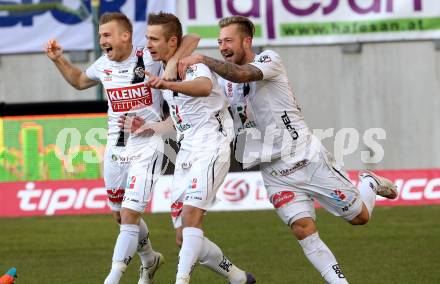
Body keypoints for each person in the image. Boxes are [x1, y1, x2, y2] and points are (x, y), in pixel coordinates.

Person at [178, 15, 398, 283]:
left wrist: (203, 59)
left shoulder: (269, 59)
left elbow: (244, 74)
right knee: (303, 229)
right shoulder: (222, 80)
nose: (223, 47)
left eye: (228, 41)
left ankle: (369, 182)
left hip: (305, 156)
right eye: (220, 42)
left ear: (247, 41)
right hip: (273, 170)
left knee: (359, 217)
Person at [44, 12, 200, 284]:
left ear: (125, 36)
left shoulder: (147, 56)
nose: (101, 39)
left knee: (130, 214)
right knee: (120, 215)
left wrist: (173, 62)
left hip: (149, 144)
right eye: (100, 35)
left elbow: (193, 38)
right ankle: (149, 259)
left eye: (106, 34)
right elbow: (80, 81)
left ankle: (113, 278)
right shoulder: (103, 64)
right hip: (116, 149)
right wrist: (58, 60)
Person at [143, 12, 256, 284]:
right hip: (187, 151)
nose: (148, 44)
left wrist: (168, 82)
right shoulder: (162, 66)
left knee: (192, 217)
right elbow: (179, 117)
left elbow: (204, 87)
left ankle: (181, 281)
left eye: (153, 39)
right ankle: (239, 278)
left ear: (171, 41)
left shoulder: (191, 65)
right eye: (147, 38)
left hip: (211, 145)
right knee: (183, 235)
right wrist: (151, 128)